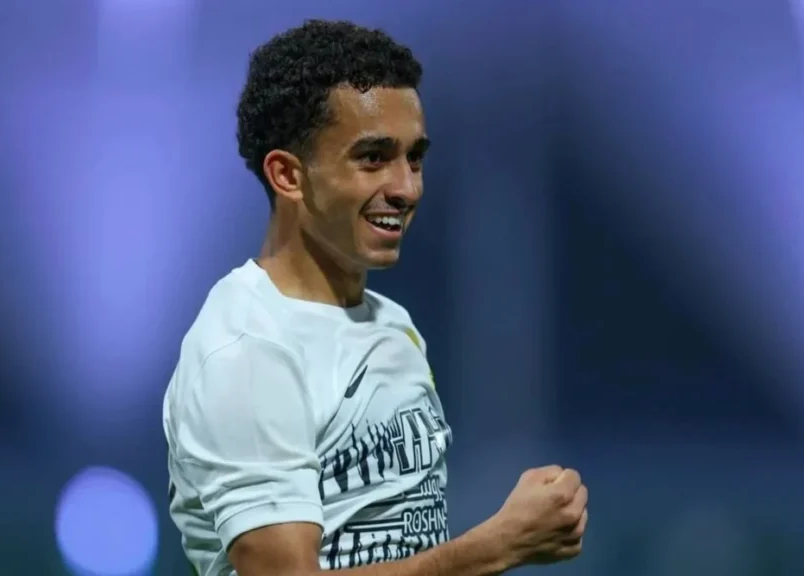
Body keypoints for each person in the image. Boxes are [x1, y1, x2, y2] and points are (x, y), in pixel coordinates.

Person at [162, 19, 588, 576]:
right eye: (373, 158)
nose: (407, 188)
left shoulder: (391, 324)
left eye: (414, 158)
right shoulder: (248, 348)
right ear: (288, 176)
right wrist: (498, 545)